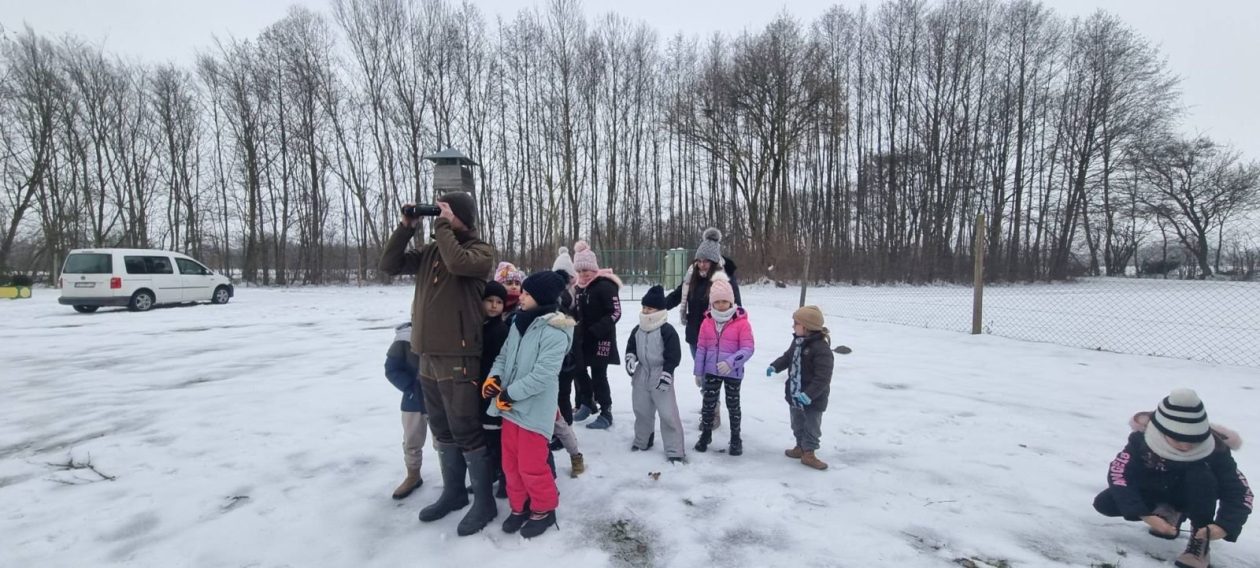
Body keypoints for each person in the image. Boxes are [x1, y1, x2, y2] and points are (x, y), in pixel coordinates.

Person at [378, 191, 498, 536]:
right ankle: (454, 492)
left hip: (459, 357)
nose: (439, 215)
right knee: (442, 429)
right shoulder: (432, 250)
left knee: (465, 428)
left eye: (446, 210)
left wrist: (443, 225)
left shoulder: (480, 252)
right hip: (426, 355)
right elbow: (389, 265)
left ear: (461, 216)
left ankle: (484, 503)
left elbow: (458, 263)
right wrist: (405, 227)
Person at [1092, 389, 1251, 568]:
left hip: (1195, 497)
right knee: (1106, 502)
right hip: (1156, 490)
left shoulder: (1216, 449)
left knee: (1201, 476)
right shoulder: (1141, 440)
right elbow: (1119, 474)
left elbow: (1239, 491)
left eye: (1193, 440)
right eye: (1177, 439)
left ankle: (1199, 542)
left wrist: (1225, 525)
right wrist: (1144, 514)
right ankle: (1166, 512)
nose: (1185, 445)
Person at [483, 270, 574, 538]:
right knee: (510, 464)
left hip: (534, 412)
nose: (519, 296)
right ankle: (520, 506)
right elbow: (503, 356)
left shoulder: (556, 331)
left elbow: (543, 376)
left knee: (531, 465)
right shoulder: (517, 323)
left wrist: (509, 394)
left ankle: (544, 510)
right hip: (510, 410)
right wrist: (494, 379)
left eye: (526, 293)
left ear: (541, 298)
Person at [664, 228, 741, 429]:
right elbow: (678, 294)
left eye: (706, 261)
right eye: (698, 260)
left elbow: (737, 307)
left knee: (710, 375)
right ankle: (710, 404)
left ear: (714, 261)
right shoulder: (693, 277)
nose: (701, 264)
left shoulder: (724, 280)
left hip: (716, 337)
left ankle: (712, 412)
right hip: (694, 334)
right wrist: (658, 304)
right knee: (702, 374)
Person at [766, 306, 834, 470]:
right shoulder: (797, 342)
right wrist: (775, 366)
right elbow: (788, 357)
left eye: (795, 323)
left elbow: (823, 377)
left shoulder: (822, 350)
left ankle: (809, 452)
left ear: (807, 327)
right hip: (795, 393)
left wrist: (810, 394)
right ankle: (800, 446)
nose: (792, 326)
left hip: (813, 398)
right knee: (797, 423)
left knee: (811, 425)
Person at [692, 279, 754, 456]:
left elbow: (748, 348)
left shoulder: (741, 323)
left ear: (731, 301)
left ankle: (736, 438)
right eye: (717, 302)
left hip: (732, 372)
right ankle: (706, 434)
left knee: (733, 405)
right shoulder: (707, 322)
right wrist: (698, 371)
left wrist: (731, 362)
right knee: (708, 404)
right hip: (711, 371)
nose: (720, 305)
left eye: (724, 301)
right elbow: (702, 347)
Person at [624, 285, 685, 463]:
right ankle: (643, 440)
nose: (645, 311)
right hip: (641, 373)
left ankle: (675, 450)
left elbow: (673, 354)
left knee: (668, 414)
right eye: (644, 307)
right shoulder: (638, 329)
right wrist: (630, 357)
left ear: (659, 310)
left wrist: (668, 372)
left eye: (649, 308)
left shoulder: (667, 330)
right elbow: (631, 346)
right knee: (641, 410)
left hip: (660, 375)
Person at [570, 241, 623, 430]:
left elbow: (615, 313)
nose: (584, 274)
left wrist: (597, 330)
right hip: (582, 339)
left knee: (599, 375)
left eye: (587, 270)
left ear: (594, 269)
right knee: (579, 370)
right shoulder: (579, 288)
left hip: (601, 339)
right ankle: (587, 402)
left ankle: (606, 411)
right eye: (580, 271)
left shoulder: (605, 286)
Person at [384, 322, 427, 498]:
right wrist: (411, 387)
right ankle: (413, 475)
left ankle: (450, 480)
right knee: (412, 439)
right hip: (413, 399)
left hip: (440, 397)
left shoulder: (445, 329)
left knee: (444, 441)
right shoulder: (404, 338)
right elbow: (391, 369)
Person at [480, 281, 512, 498]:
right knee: (486, 437)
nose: (493, 306)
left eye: (499, 302)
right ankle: (490, 474)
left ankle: (504, 479)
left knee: (498, 438)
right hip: (479, 389)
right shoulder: (479, 327)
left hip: (495, 390)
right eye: (490, 301)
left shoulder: (502, 330)